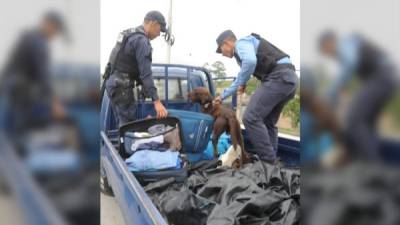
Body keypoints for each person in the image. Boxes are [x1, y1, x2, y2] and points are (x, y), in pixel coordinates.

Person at [214, 30, 298, 164]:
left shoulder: (241, 43)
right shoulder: (244, 49)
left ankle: (269, 162)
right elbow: (246, 71)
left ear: (227, 43)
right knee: (268, 122)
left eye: (221, 50)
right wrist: (233, 89)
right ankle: (272, 164)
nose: (222, 54)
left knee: (250, 117)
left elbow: (250, 61)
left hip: (279, 77)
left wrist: (239, 84)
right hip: (289, 80)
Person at [319, 31, 398, 160]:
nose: (329, 55)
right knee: (367, 122)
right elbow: (349, 79)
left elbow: (350, 65)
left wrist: (329, 94)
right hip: (387, 78)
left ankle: (373, 165)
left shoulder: (345, 44)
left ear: (329, 42)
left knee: (354, 119)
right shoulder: (351, 48)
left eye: (326, 51)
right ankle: (372, 161)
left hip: (382, 76)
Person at [0, 10, 67, 135]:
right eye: (56, 29)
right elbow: (44, 76)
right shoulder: (38, 42)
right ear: (49, 24)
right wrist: (55, 103)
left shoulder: (27, 36)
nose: (55, 34)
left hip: (10, 91)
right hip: (17, 96)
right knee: (12, 135)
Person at [104, 10, 168, 127]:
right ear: (153, 23)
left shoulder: (130, 34)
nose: (159, 34)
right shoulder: (142, 41)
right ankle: (127, 145)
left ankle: (123, 144)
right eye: (160, 30)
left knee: (123, 124)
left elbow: (127, 64)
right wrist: (157, 102)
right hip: (121, 87)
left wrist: (143, 85)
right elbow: (146, 73)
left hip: (113, 84)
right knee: (128, 126)